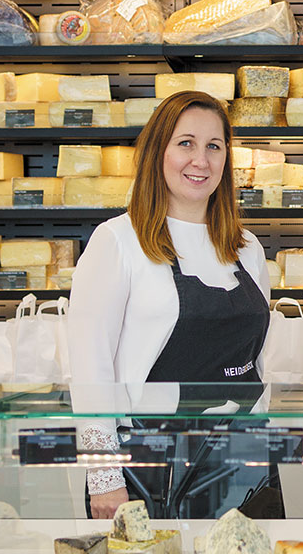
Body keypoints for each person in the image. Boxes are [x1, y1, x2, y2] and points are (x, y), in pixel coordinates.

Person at [67, 91, 272, 520]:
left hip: (243, 456)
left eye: (214, 146)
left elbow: (257, 362)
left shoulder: (246, 247)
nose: (201, 160)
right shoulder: (118, 241)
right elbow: (90, 369)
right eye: (186, 143)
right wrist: (104, 477)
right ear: (158, 153)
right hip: (149, 463)